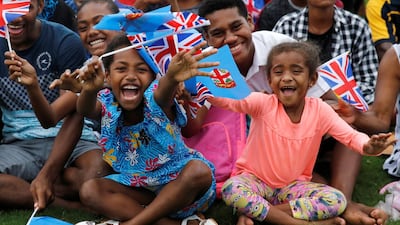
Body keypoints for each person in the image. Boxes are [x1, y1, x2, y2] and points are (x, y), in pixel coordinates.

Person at [207, 41, 394, 225]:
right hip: (255, 183)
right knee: (232, 189)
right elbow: (230, 100)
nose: (286, 77)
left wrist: (367, 145)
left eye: (296, 71)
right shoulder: (262, 103)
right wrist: (203, 86)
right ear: (270, 81)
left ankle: (262, 215)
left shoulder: (320, 110)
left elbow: (350, 136)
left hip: (292, 189)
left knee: (336, 200)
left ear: (312, 79)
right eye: (278, 72)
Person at [62, 34, 219, 225]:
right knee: (90, 190)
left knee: (199, 171)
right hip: (141, 190)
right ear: (108, 77)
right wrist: (88, 89)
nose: (130, 76)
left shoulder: (157, 98)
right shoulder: (106, 102)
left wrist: (171, 76)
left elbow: (165, 90)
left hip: (182, 188)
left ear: (153, 77)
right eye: (121, 69)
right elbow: (85, 109)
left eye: (141, 69)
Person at [272, 1, 382, 224]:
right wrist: (312, 107)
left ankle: (342, 198)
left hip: (338, 118)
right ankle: (344, 205)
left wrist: (335, 104)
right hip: (294, 121)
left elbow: (369, 85)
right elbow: (273, 83)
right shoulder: (286, 26)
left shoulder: (357, 26)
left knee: (351, 124)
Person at [0, 0, 107, 210]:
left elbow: (61, 117)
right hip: (19, 143)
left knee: (98, 176)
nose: (16, 18)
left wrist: (47, 174)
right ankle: (70, 204)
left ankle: (33, 186)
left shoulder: (65, 40)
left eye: (25, 8)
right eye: (8, 10)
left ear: (40, 7)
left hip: (71, 140)